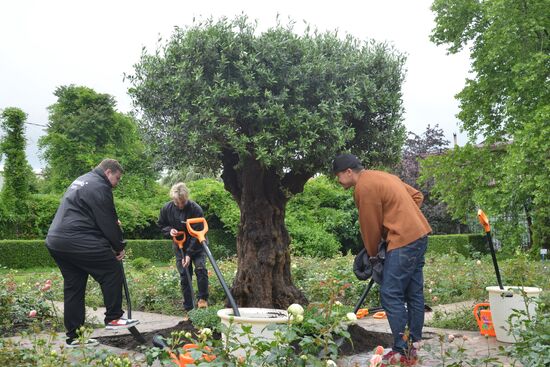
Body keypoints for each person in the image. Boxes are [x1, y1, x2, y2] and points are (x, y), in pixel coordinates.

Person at [333, 153, 432, 366]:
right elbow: (417, 196)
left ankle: (401, 350)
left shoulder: (363, 187)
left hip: (403, 242)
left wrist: (373, 255)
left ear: (348, 172)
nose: (338, 180)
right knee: (414, 293)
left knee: (390, 293)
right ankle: (414, 346)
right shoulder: (384, 176)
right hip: (420, 235)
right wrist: (403, 219)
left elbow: (370, 226)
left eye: (338, 176)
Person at [45, 159, 139, 348]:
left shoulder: (82, 180)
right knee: (112, 271)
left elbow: (89, 216)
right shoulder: (100, 187)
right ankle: (113, 317)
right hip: (76, 240)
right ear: (108, 172)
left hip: (56, 241)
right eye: (117, 178)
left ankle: (74, 337)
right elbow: (108, 221)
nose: (117, 183)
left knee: (74, 287)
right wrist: (119, 247)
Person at [158, 182, 209, 313]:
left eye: (183, 202)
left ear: (186, 197)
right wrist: (169, 231)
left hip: (197, 244)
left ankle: (202, 300)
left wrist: (189, 254)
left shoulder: (195, 209)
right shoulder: (166, 208)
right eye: (177, 202)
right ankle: (189, 309)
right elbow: (161, 225)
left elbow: (197, 233)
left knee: (201, 269)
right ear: (173, 199)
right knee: (185, 275)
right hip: (179, 244)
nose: (180, 205)